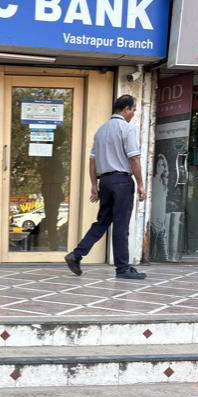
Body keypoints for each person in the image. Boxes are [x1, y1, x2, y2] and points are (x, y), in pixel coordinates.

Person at [65, 95, 148, 280]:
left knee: (102, 222)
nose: (134, 114)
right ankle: (122, 268)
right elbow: (134, 158)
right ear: (126, 109)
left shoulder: (101, 130)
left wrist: (94, 185)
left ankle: (76, 255)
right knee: (121, 226)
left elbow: (92, 161)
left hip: (105, 182)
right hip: (122, 182)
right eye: (134, 110)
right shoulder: (127, 128)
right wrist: (141, 184)